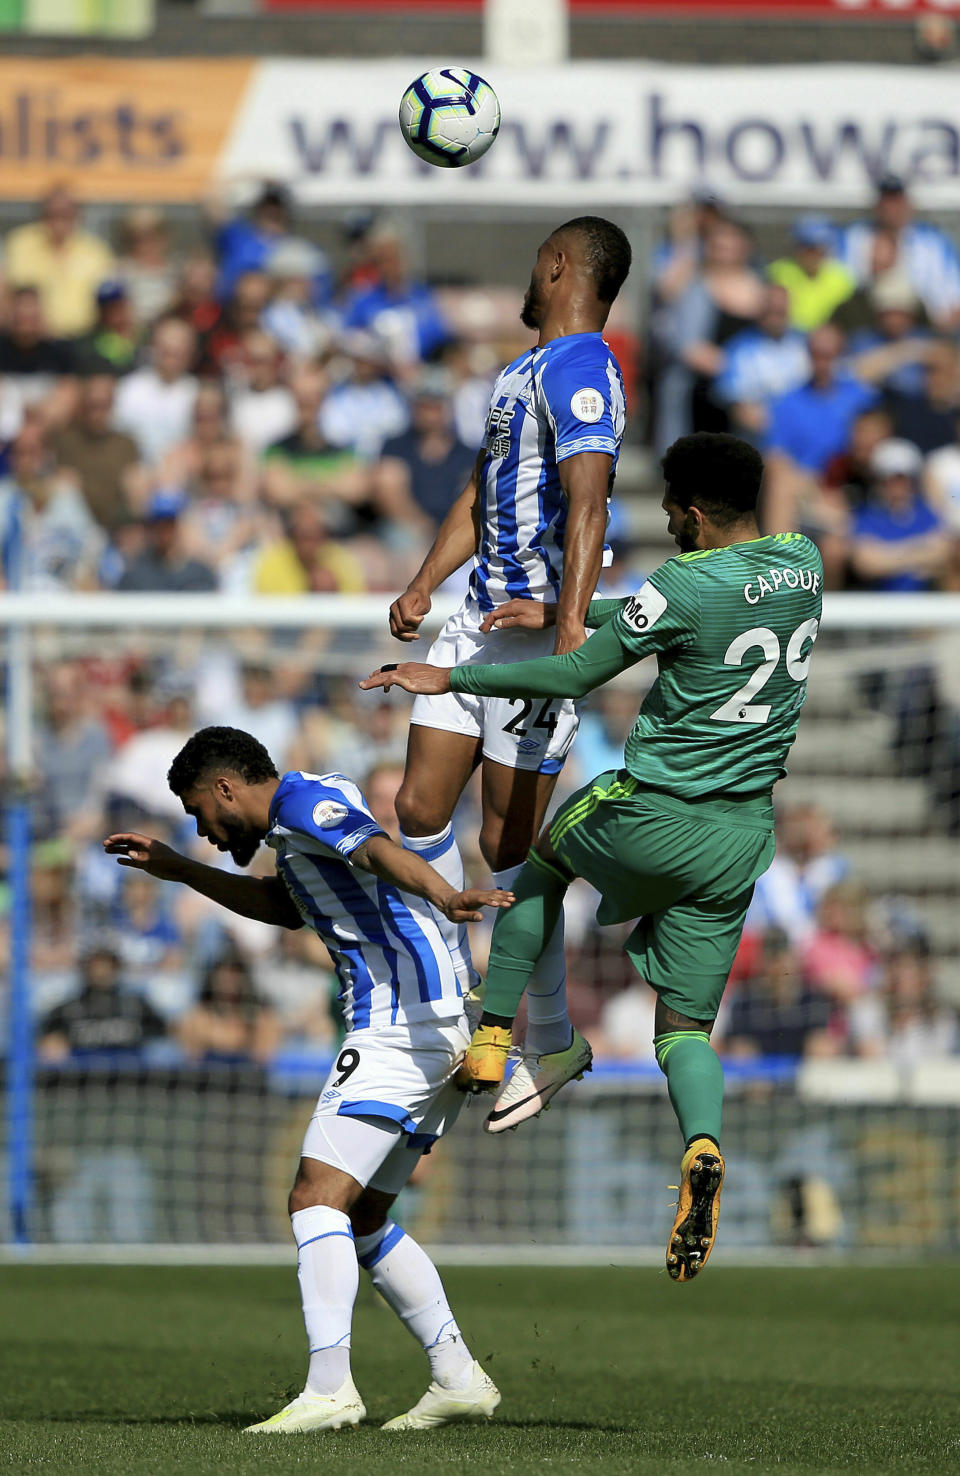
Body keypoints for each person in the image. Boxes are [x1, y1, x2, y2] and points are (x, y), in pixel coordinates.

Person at [362, 432, 823, 1281]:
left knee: (537, 861)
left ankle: (500, 1036)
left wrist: (452, 682)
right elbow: (670, 617)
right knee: (684, 1028)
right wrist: (572, 611)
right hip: (740, 838)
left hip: (656, 809)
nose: (664, 519)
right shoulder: (803, 563)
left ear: (688, 509)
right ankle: (703, 1142)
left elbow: (573, 678)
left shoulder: (685, 580)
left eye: (668, 508)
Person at [103, 724, 512, 1432]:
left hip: (401, 1024)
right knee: (361, 1218)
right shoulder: (296, 840)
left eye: (200, 812)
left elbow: (376, 848)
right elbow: (285, 908)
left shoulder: (304, 805)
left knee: (313, 1199)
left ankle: (330, 1388)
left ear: (226, 787)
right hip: (434, 1026)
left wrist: (445, 897)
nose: (203, 830)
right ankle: (457, 1376)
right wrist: (179, 870)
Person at [384, 216, 631, 1134]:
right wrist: (422, 581)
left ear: (560, 265)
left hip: (531, 642)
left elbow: (590, 498)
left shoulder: (582, 366)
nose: (529, 275)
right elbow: (482, 492)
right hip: (471, 624)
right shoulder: (523, 370)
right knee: (415, 810)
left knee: (512, 850)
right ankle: (453, 983)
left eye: (535, 261)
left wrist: (570, 634)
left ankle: (555, 1035)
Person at [3, 185, 115, 339]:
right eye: (53, 214)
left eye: (65, 214)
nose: (58, 221)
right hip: (30, 341)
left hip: (82, 341)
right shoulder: (20, 244)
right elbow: (5, 294)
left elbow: (109, 305)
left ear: (77, 215)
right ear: (42, 214)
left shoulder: (96, 251)